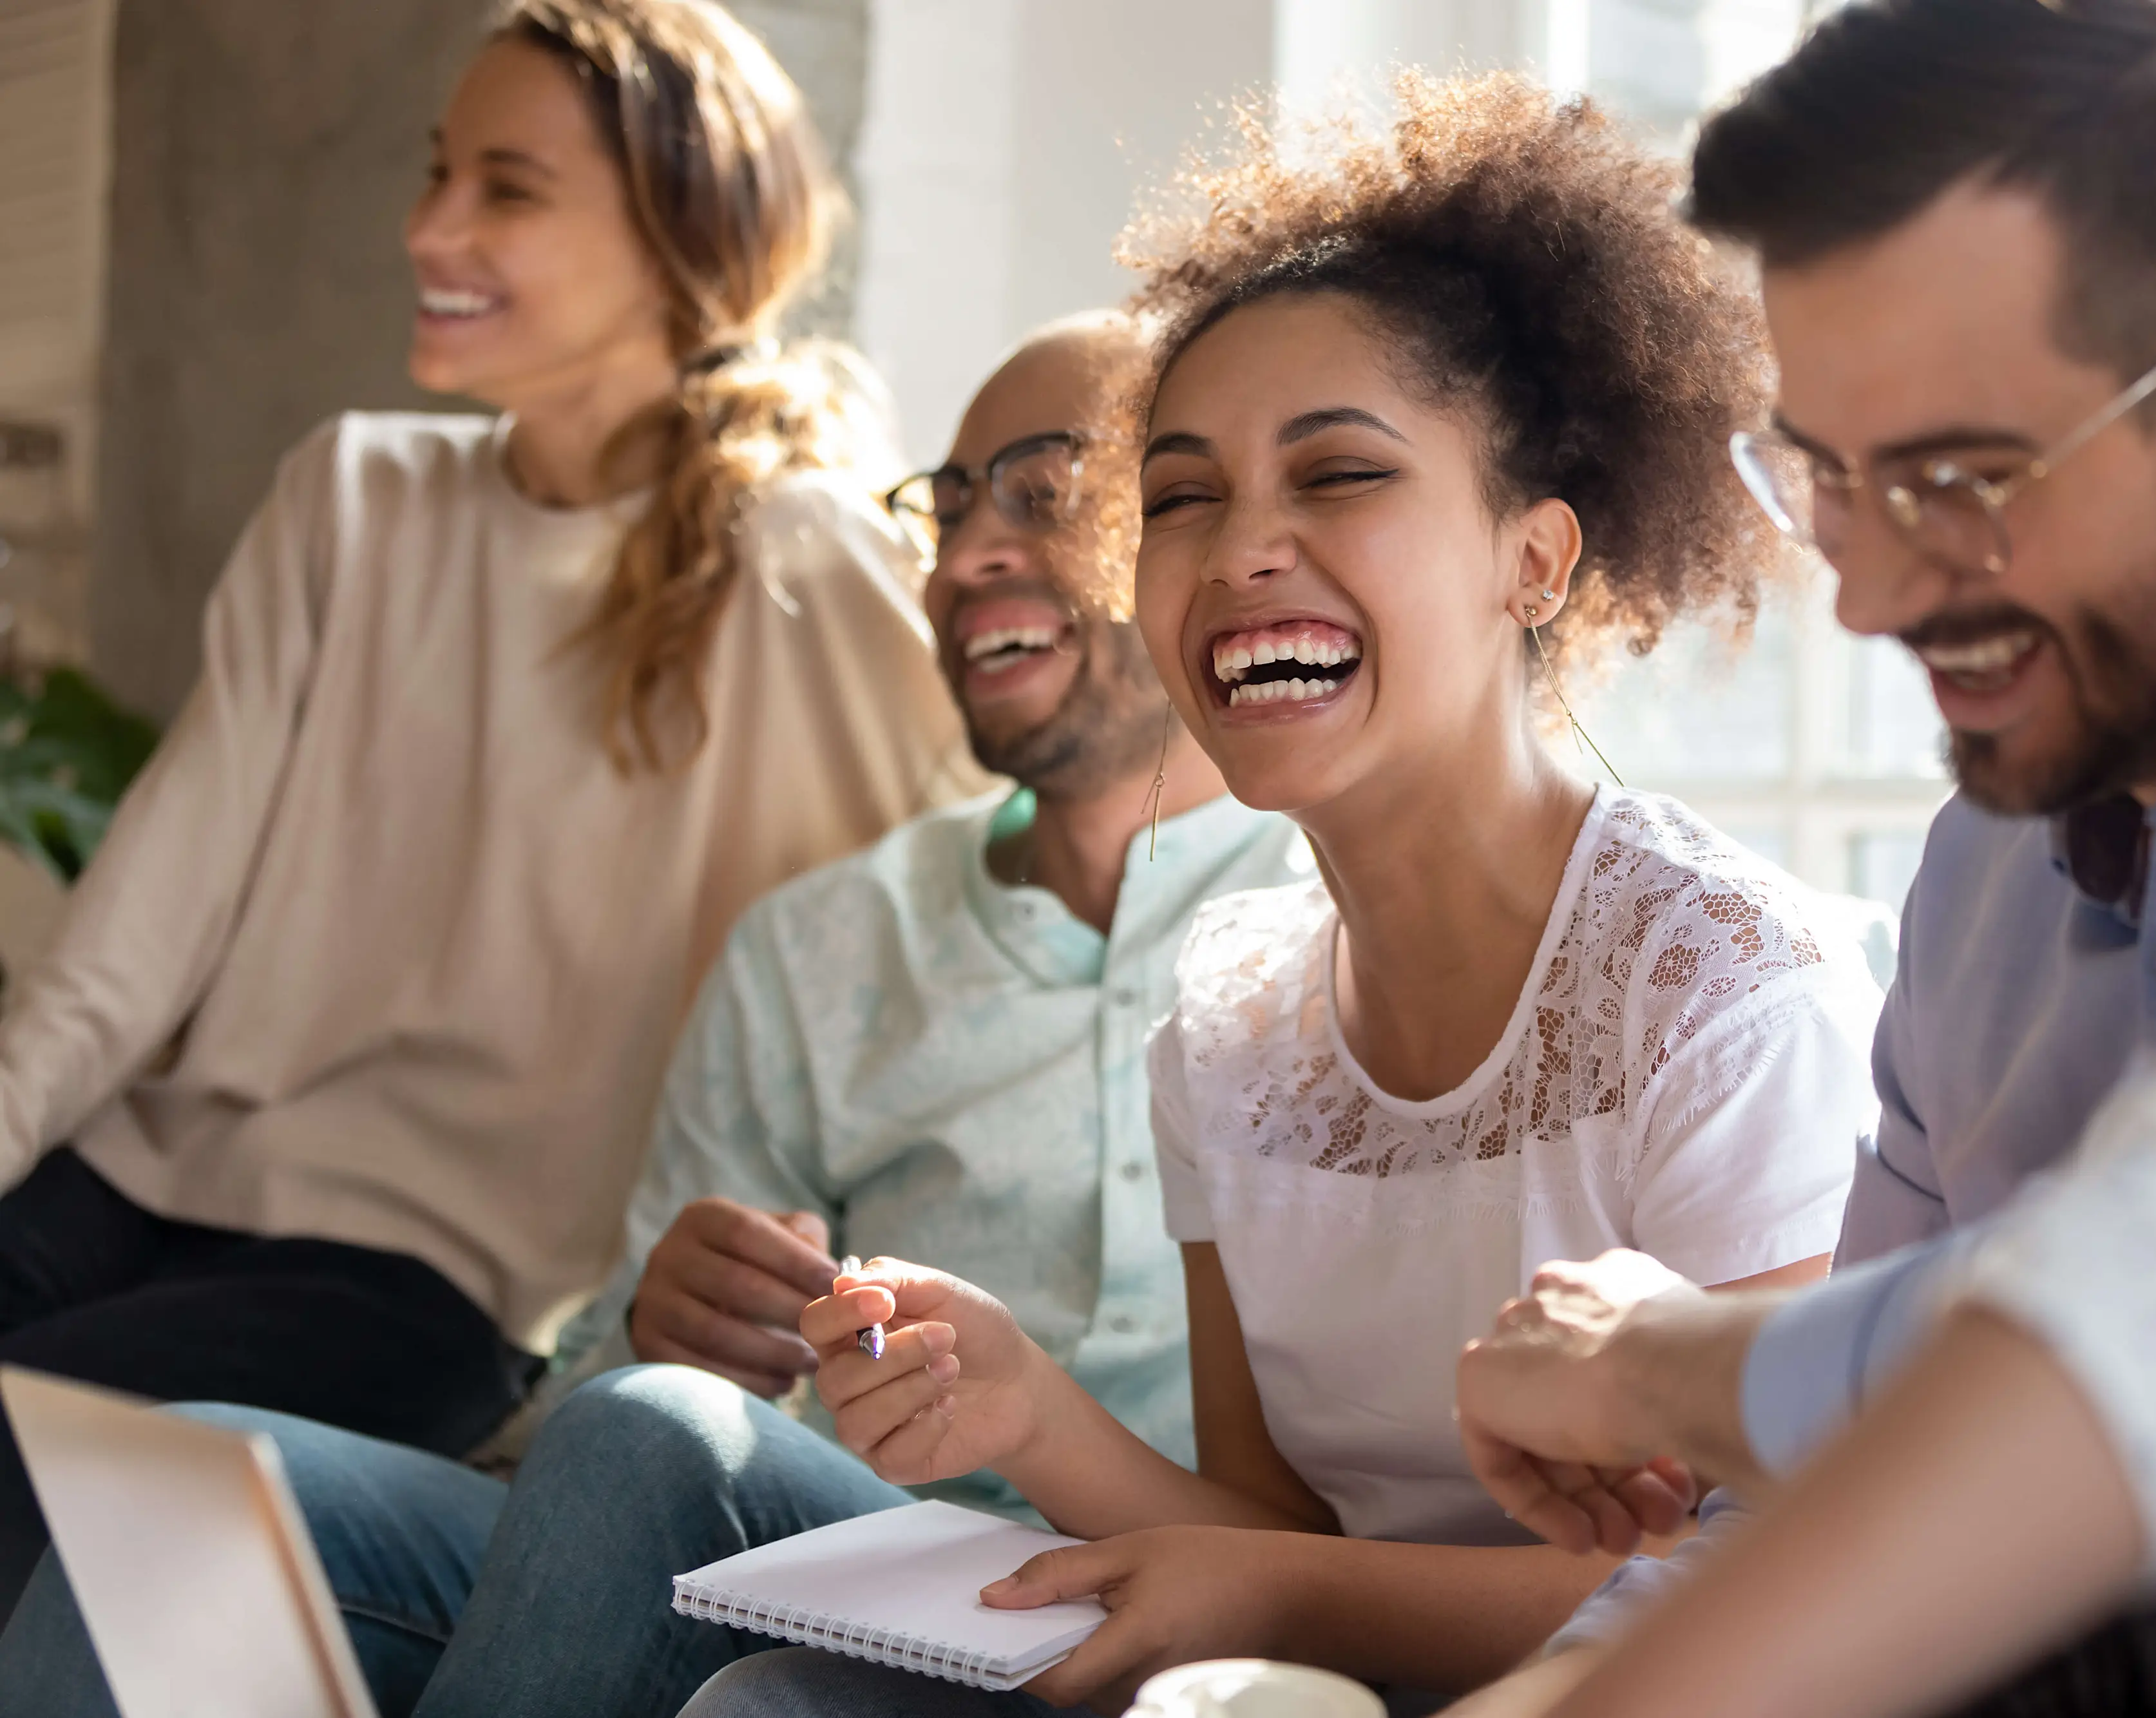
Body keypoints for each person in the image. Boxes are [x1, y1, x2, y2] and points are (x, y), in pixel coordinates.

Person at [682, 70, 1885, 1718]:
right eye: (1180, 497)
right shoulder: (1235, 1020)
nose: (1241, 546)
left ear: (1533, 557)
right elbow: (1281, 1533)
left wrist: (1257, 1588)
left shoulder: (1725, 988)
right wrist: (1028, 1413)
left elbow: (1753, 1581)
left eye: (1335, 475)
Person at [1448, 0, 2156, 1713]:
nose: (1873, 592)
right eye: (1825, 477)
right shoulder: (1985, 868)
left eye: (1967, 476)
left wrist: (1662, 1366)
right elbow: (1828, 1486)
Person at [0, 314, 1313, 1718]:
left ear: (1185, 529)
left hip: (1161, 1605)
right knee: (181, 1486)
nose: (968, 550)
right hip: (845, 1552)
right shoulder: (827, 942)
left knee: (652, 1441)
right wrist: (662, 1330)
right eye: (945, 502)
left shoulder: (1330, 913)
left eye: (1041, 494)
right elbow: (604, 1400)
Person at [0, 0, 980, 1613]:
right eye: (436, 171)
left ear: (680, 237)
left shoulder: (797, 562)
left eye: (505, 189)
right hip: (138, 1176)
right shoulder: (350, 494)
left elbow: (971, 876)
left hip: (437, 1284)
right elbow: (143, 923)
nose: (429, 227)